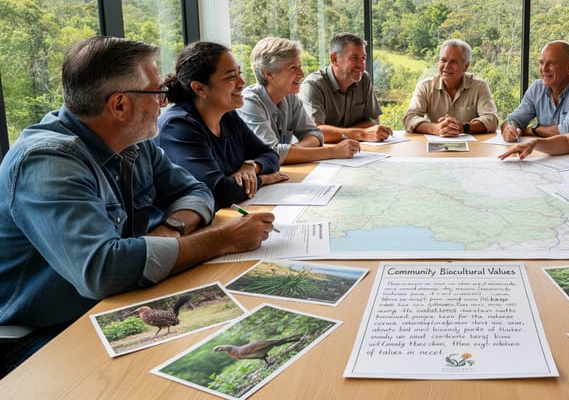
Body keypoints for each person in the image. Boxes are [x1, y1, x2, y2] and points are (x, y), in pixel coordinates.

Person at [0, 37, 276, 375]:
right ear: (119, 105)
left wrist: (172, 229)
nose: (164, 102)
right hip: (46, 335)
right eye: (157, 92)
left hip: (121, 301)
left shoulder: (133, 141)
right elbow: (103, 270)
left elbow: (197, 191)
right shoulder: (48, 162)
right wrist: (223, 239)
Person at [157, 41, 288, 211]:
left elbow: (270, 155)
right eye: (231, 77)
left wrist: (251, 167)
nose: (242, 82)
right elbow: (218, 191)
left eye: (239, 73)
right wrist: (264, 179)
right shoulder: (177, 127)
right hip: (187, 222)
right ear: (200, 88)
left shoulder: (227, 115)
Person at [238, 37, 360, 164]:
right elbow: (272, 153)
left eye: (300, 67)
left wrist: (292, 151)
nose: (301, 74)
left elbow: (315, 134)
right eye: (293, 68)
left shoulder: (289, 97)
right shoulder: (249, 102)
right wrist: (333, 152)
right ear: (269, 74)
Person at [299, 32, 392, 143]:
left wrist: (343, 134)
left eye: (363, 58)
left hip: (357, 149)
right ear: (334, 59)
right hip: (325, 151)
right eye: (354, 58)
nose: (361, 65)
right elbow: (316, 131)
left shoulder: (364, 79)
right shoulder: (313, 85)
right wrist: (361, 133)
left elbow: (374, 120)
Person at [500, 40, 569, 141]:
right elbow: (513, 119)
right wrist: (509, 128)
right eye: (541, 63)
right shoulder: (537, 88)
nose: (544, 69)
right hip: (549, 150)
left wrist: (534, 130)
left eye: (551, 63)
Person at [403, 39, 499, 136]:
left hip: (471, 144)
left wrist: (463, 127)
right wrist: (436, 129)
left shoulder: (479, 86)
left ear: (466, 66)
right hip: (435, 144)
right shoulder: (425, 86)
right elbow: (410, 118)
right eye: (443, 60)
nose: (447, 66)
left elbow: (491, 120)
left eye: (454, 62)